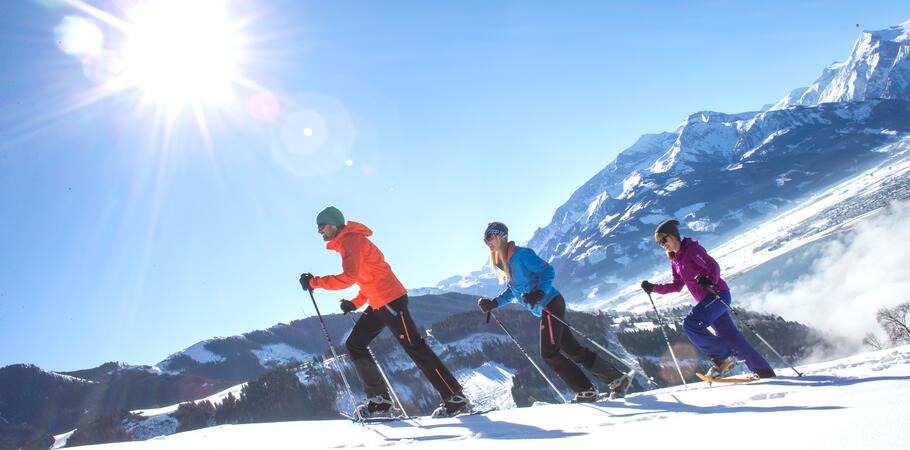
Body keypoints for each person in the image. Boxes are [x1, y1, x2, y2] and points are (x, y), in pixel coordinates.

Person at [300, 206, 471, 418]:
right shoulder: (348, 242)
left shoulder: (350, 241)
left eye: (321, 226)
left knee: (415, 347)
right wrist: (355, 303)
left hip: (390, 301)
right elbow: (368, 278)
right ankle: (379, 401)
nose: (319, 231)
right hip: (379, 302)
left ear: (334, 224)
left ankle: (455, 398)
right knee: (355, 344)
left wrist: (314, 282)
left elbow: (349, 277)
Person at [477, 221, 632, 402]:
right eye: (484, 239)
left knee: (549, 353)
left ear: (501, 236)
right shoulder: (505, 262)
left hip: (550, 302)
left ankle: (586, 390)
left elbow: (548, 270)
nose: (487, 242)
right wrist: (494, 302)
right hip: (544, 309)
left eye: (489, 237)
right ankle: (617, 379)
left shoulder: (521, 255)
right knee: (573, 350)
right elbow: (513, 290)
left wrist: (539, 292)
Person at [641, 219, 776, 379]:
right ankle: (763, 371)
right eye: (659, 243)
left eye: (664, 239)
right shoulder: (676, 260)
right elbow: (677, 286)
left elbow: (713, 266)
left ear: (674, 235)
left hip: (717, 294)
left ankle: (724, 357)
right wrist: (653, 287)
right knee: (732, 337)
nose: (663, 244)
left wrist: (709, 280)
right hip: (708, 302)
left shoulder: (691, 249)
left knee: (691, 324)